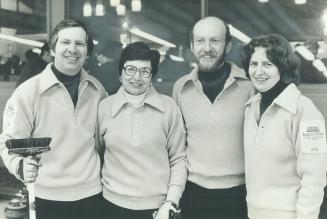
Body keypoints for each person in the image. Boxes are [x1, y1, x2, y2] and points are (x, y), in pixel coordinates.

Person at [0, 19, 107, 219]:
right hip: (47, 196)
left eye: (79, 44)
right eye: (65, 42)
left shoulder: (97, 90)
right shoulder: (28, 93)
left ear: (87, 51)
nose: (72, 49)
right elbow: (8, 143)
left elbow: (104, 142)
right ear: (53, 48)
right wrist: (19, 166)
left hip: (92, 193)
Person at [172, 16, 254, 219]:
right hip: (193, 193)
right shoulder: (180, 88)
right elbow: (177, 148)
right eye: (200, 41)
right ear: (192, 46)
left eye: (215, 41)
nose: (207, 48)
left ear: (228, 45)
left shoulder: (249, 85)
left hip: (240, 193)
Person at [241, 33, 327, 219]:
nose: (258, 71)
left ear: (283, 68)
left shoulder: (305, 110)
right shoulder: (251, 107)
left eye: (267, 64)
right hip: (253, 212)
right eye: (253, 64)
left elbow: (314, 178)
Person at [98, 41, 187, 219]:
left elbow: (179, 159)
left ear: (151, 75)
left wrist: (171, 201)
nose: (137, 77)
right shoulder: (104, 107)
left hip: (158, 208)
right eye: (130, 69)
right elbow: (98, 153)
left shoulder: (169, 108)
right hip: (111, 206)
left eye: (145, 71)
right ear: (120, 73)